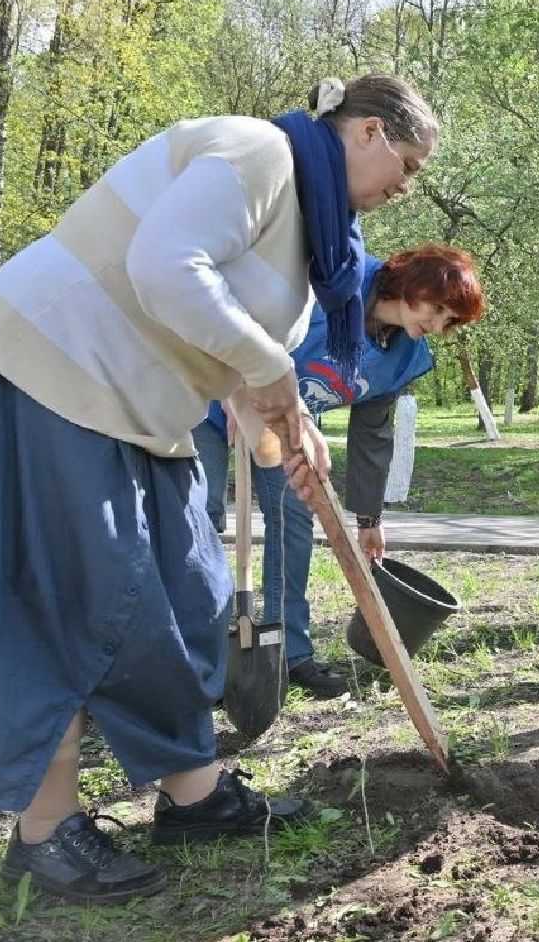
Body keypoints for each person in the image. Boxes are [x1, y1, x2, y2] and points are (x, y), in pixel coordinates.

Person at [0, 73, 438, 904]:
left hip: (142, 413)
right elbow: (165, 268)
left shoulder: (316, 233)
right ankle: (45, 832)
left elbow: (225, 346)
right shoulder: (259, 152)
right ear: (369, 131)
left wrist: (285, 424)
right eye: (407, 166)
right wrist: (268, 371)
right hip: (49, 375)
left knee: (188, 591)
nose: (404, 188)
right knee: (72, 599)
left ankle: (193, 795)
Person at [192, 244, 484, 699]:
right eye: (439, 309)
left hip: (286, 426)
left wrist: (369, 518)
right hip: (210, 399)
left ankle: (288, 653)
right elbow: (244, 309)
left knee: (293, 523)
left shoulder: (402, 356)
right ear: (415, 285)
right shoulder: (333, 283)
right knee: (199, 520)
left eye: (450, 322)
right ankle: (196, 659)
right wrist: (236, 382)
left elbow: (373, 433)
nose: (439, 326)